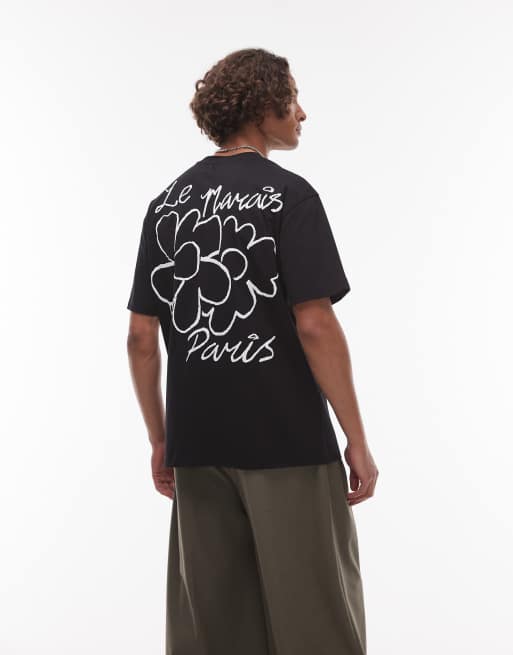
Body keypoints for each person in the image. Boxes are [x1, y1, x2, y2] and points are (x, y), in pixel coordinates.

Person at [126, 47, 378, 655]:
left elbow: (140, 337)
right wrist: (356, 437)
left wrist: (161, 438)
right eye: (293, 99)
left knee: (214, 630)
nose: (302, 114)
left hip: (198, 445)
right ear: (263, 106)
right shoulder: (291, 197)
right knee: (316, 621)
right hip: (286, 441)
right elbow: (315, 325)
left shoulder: (166, 204)